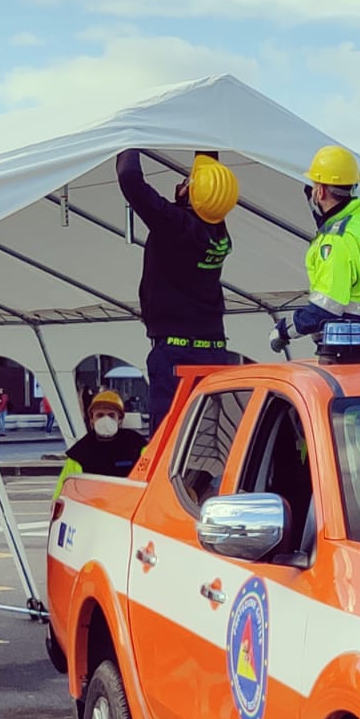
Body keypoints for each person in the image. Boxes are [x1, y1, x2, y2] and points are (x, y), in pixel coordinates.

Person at [117, 148, 237, 426]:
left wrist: (129, 138)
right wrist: (202, 139)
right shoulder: (217, 229)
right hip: (214, 351)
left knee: (169, 439)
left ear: (193, 195)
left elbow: (130, 180)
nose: (182, 184)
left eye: (187, 182)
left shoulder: (176, 225)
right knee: (208, 437)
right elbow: (211, 186)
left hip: (178, 356)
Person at [270, 146, 360, 355]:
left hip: (345, 352)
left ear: (321, 190)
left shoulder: (336, 239)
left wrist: (284, 331)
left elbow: (326, 307)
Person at [53, 391, 147, 499]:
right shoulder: (80, 452)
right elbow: (64, 489)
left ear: (120, 419)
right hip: (94, 509)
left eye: (111, 415)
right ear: (92, 419)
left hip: (129, 508)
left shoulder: (137, 445)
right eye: (100, 415)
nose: (105, 420)